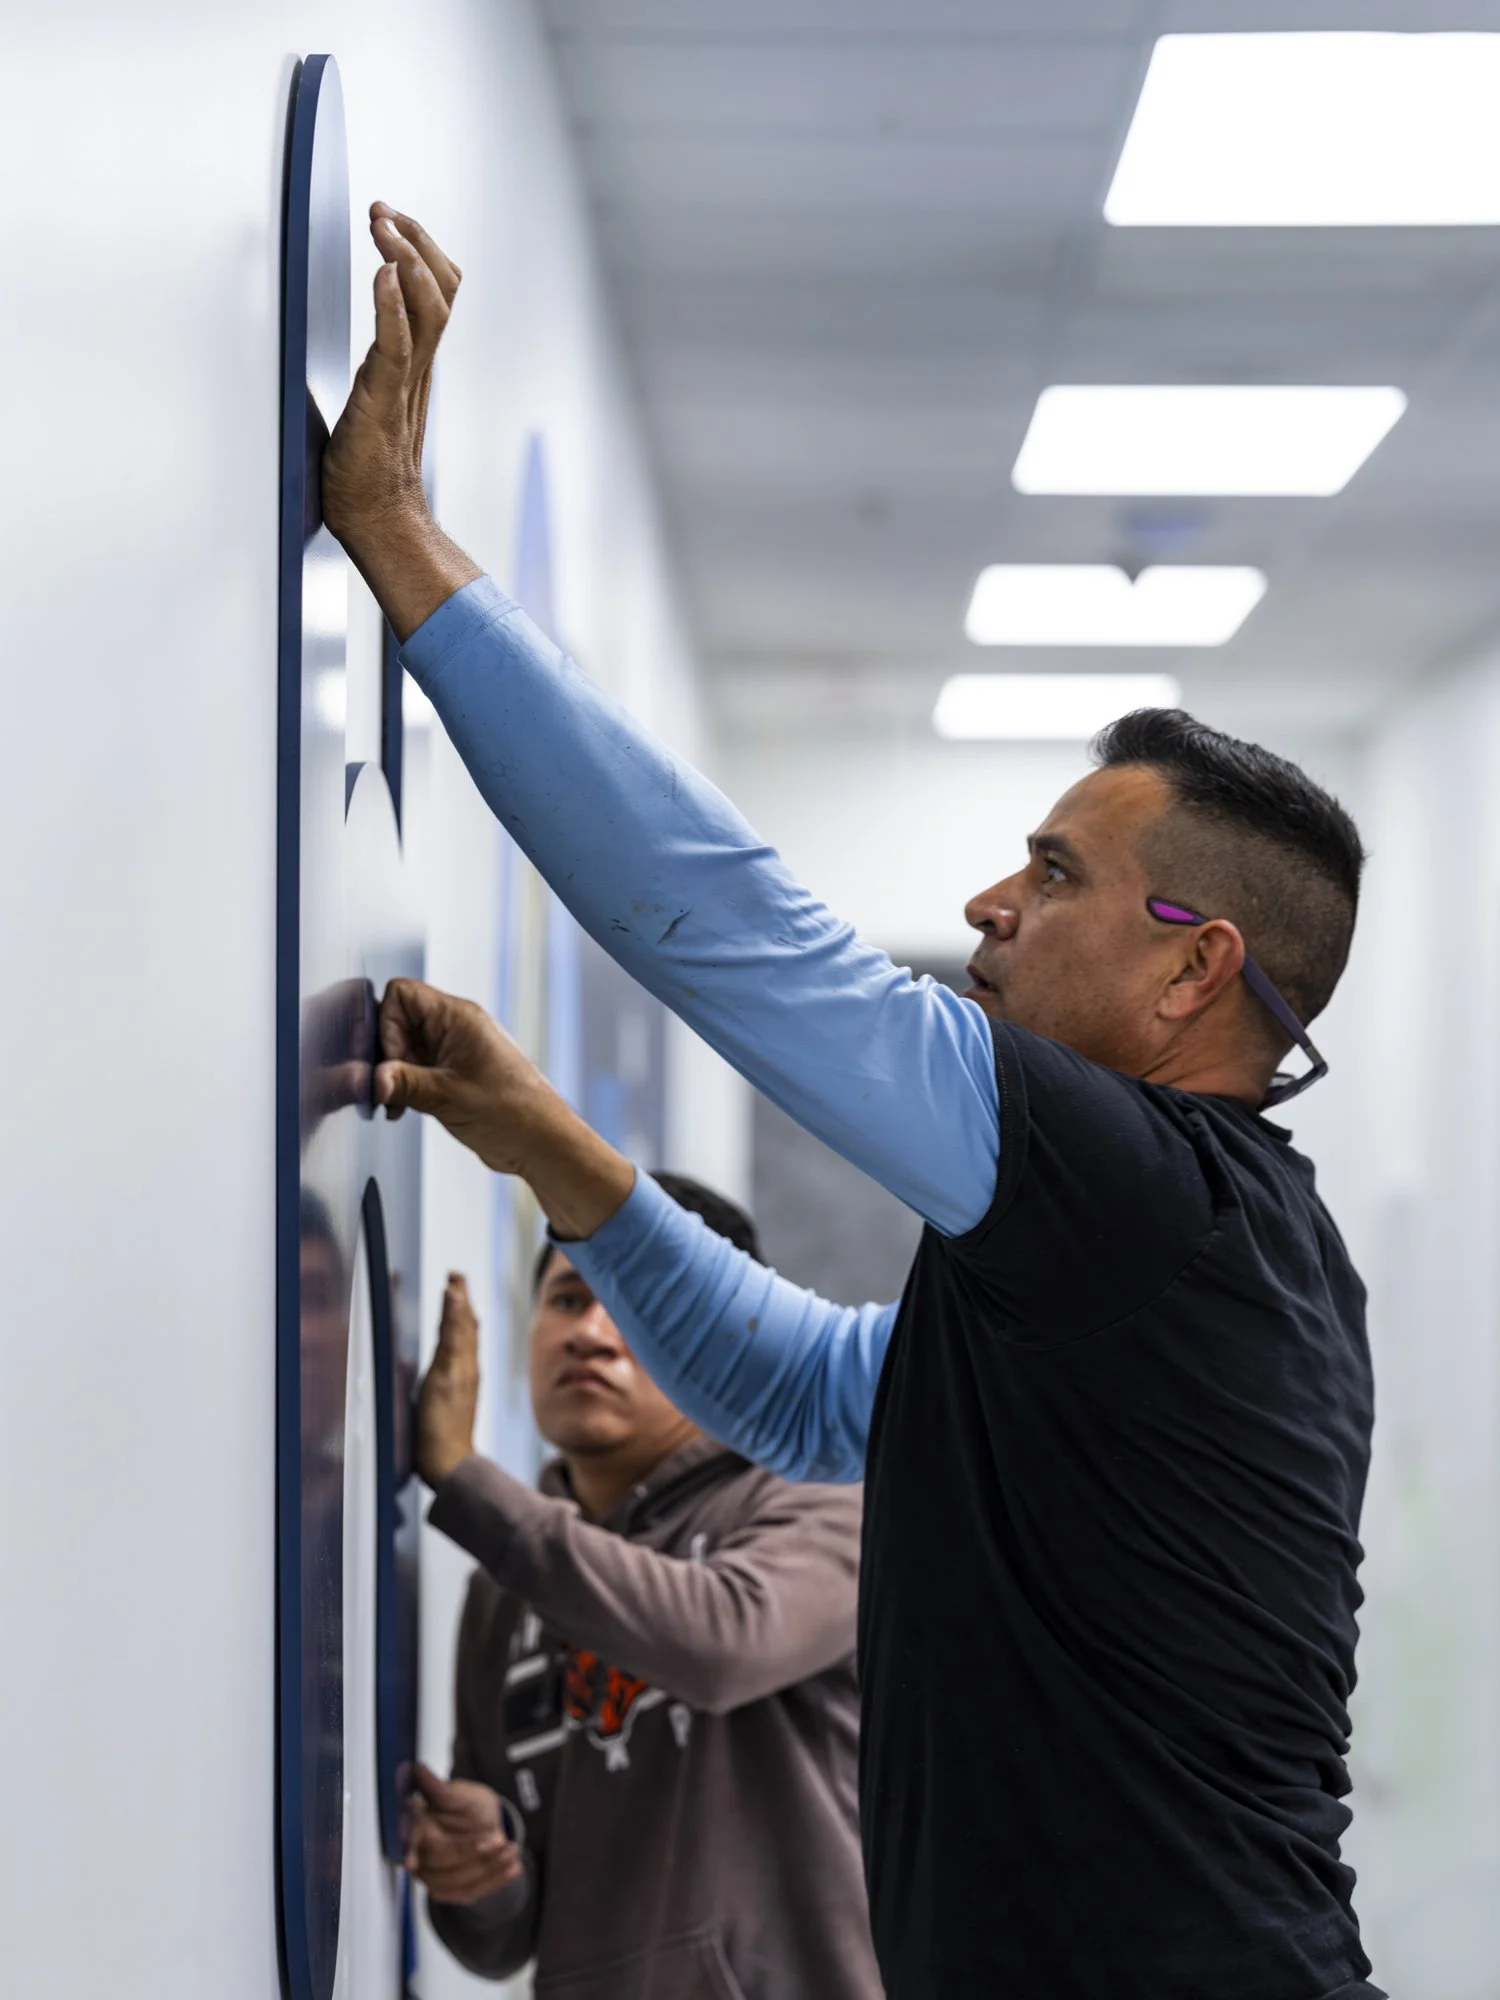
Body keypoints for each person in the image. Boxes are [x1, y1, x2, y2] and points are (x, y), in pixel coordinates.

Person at [323, 206, 1382, 2000]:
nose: (988, 902)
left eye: (1051, 874)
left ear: (1196, 968)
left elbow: (740, 937)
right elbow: (799, 1389)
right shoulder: (1139, 1281)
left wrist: (400, 543)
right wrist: (554, 1152)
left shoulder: (1146, 1202)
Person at [404, 1177, 879, 1999]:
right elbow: (504, 1941)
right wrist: (482, 1868)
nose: (590, 1334)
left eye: (632, 1305)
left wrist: (465, 1482)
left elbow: (730, 1642)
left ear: (726, 1340)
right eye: (566, 1300)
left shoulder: (820, 1496)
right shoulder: (505, 1587)